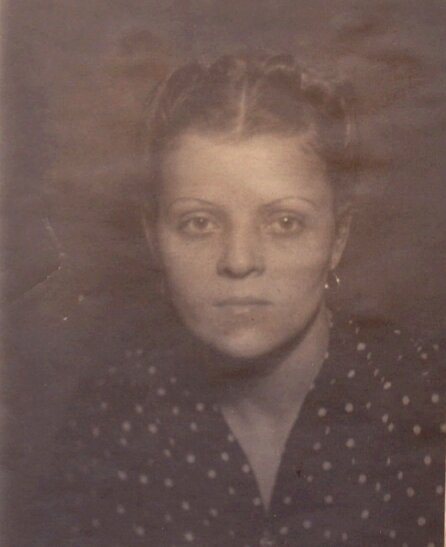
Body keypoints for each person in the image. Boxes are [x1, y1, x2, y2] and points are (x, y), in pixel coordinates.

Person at [32, 53, 444, 546]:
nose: (239, 260)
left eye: (285, 223)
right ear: (153, 237)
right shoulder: (110, 418)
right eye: (199, 223)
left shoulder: (427, 398)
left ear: (337, 238)